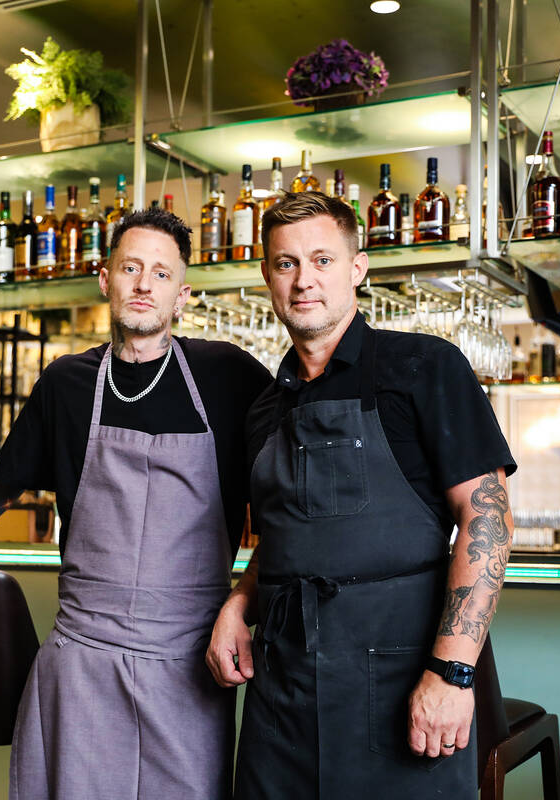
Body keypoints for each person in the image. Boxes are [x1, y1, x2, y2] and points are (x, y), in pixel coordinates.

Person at [0, 207, 272, 799]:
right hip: (82, 659)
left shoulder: (229, 376)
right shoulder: (66, 383)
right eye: (131, 268)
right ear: (104, 278)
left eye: (161, 274)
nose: (144, 284)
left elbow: (289, 495)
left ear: (183, 295)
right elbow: (3, 479)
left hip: (188, 660)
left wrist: (245, 600)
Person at [206, 191, 517, 798]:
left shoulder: (425, 367)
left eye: (322, 260)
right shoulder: (264, 408)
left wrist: (453, 672)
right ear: (267, 275)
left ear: (357, 268)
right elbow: (284, 533)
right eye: (285, 263)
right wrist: (239, 602)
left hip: (400, 683)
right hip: (280, 695)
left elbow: (489, 520)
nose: (304, 280)